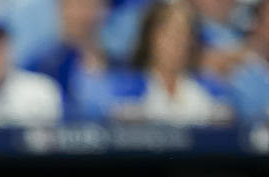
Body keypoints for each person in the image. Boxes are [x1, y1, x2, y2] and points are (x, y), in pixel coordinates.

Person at [84, 0, 232, 125]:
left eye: (183, 34)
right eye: (168, 34)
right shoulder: (126, 89)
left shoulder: (211, 90)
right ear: (150, 38)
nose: (176, 43)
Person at [22, 0, 109, 116]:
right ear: (62, 9)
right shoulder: (41, 65)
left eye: (94, 6)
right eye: (79, 5)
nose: (86, 15)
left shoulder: (121, 61)